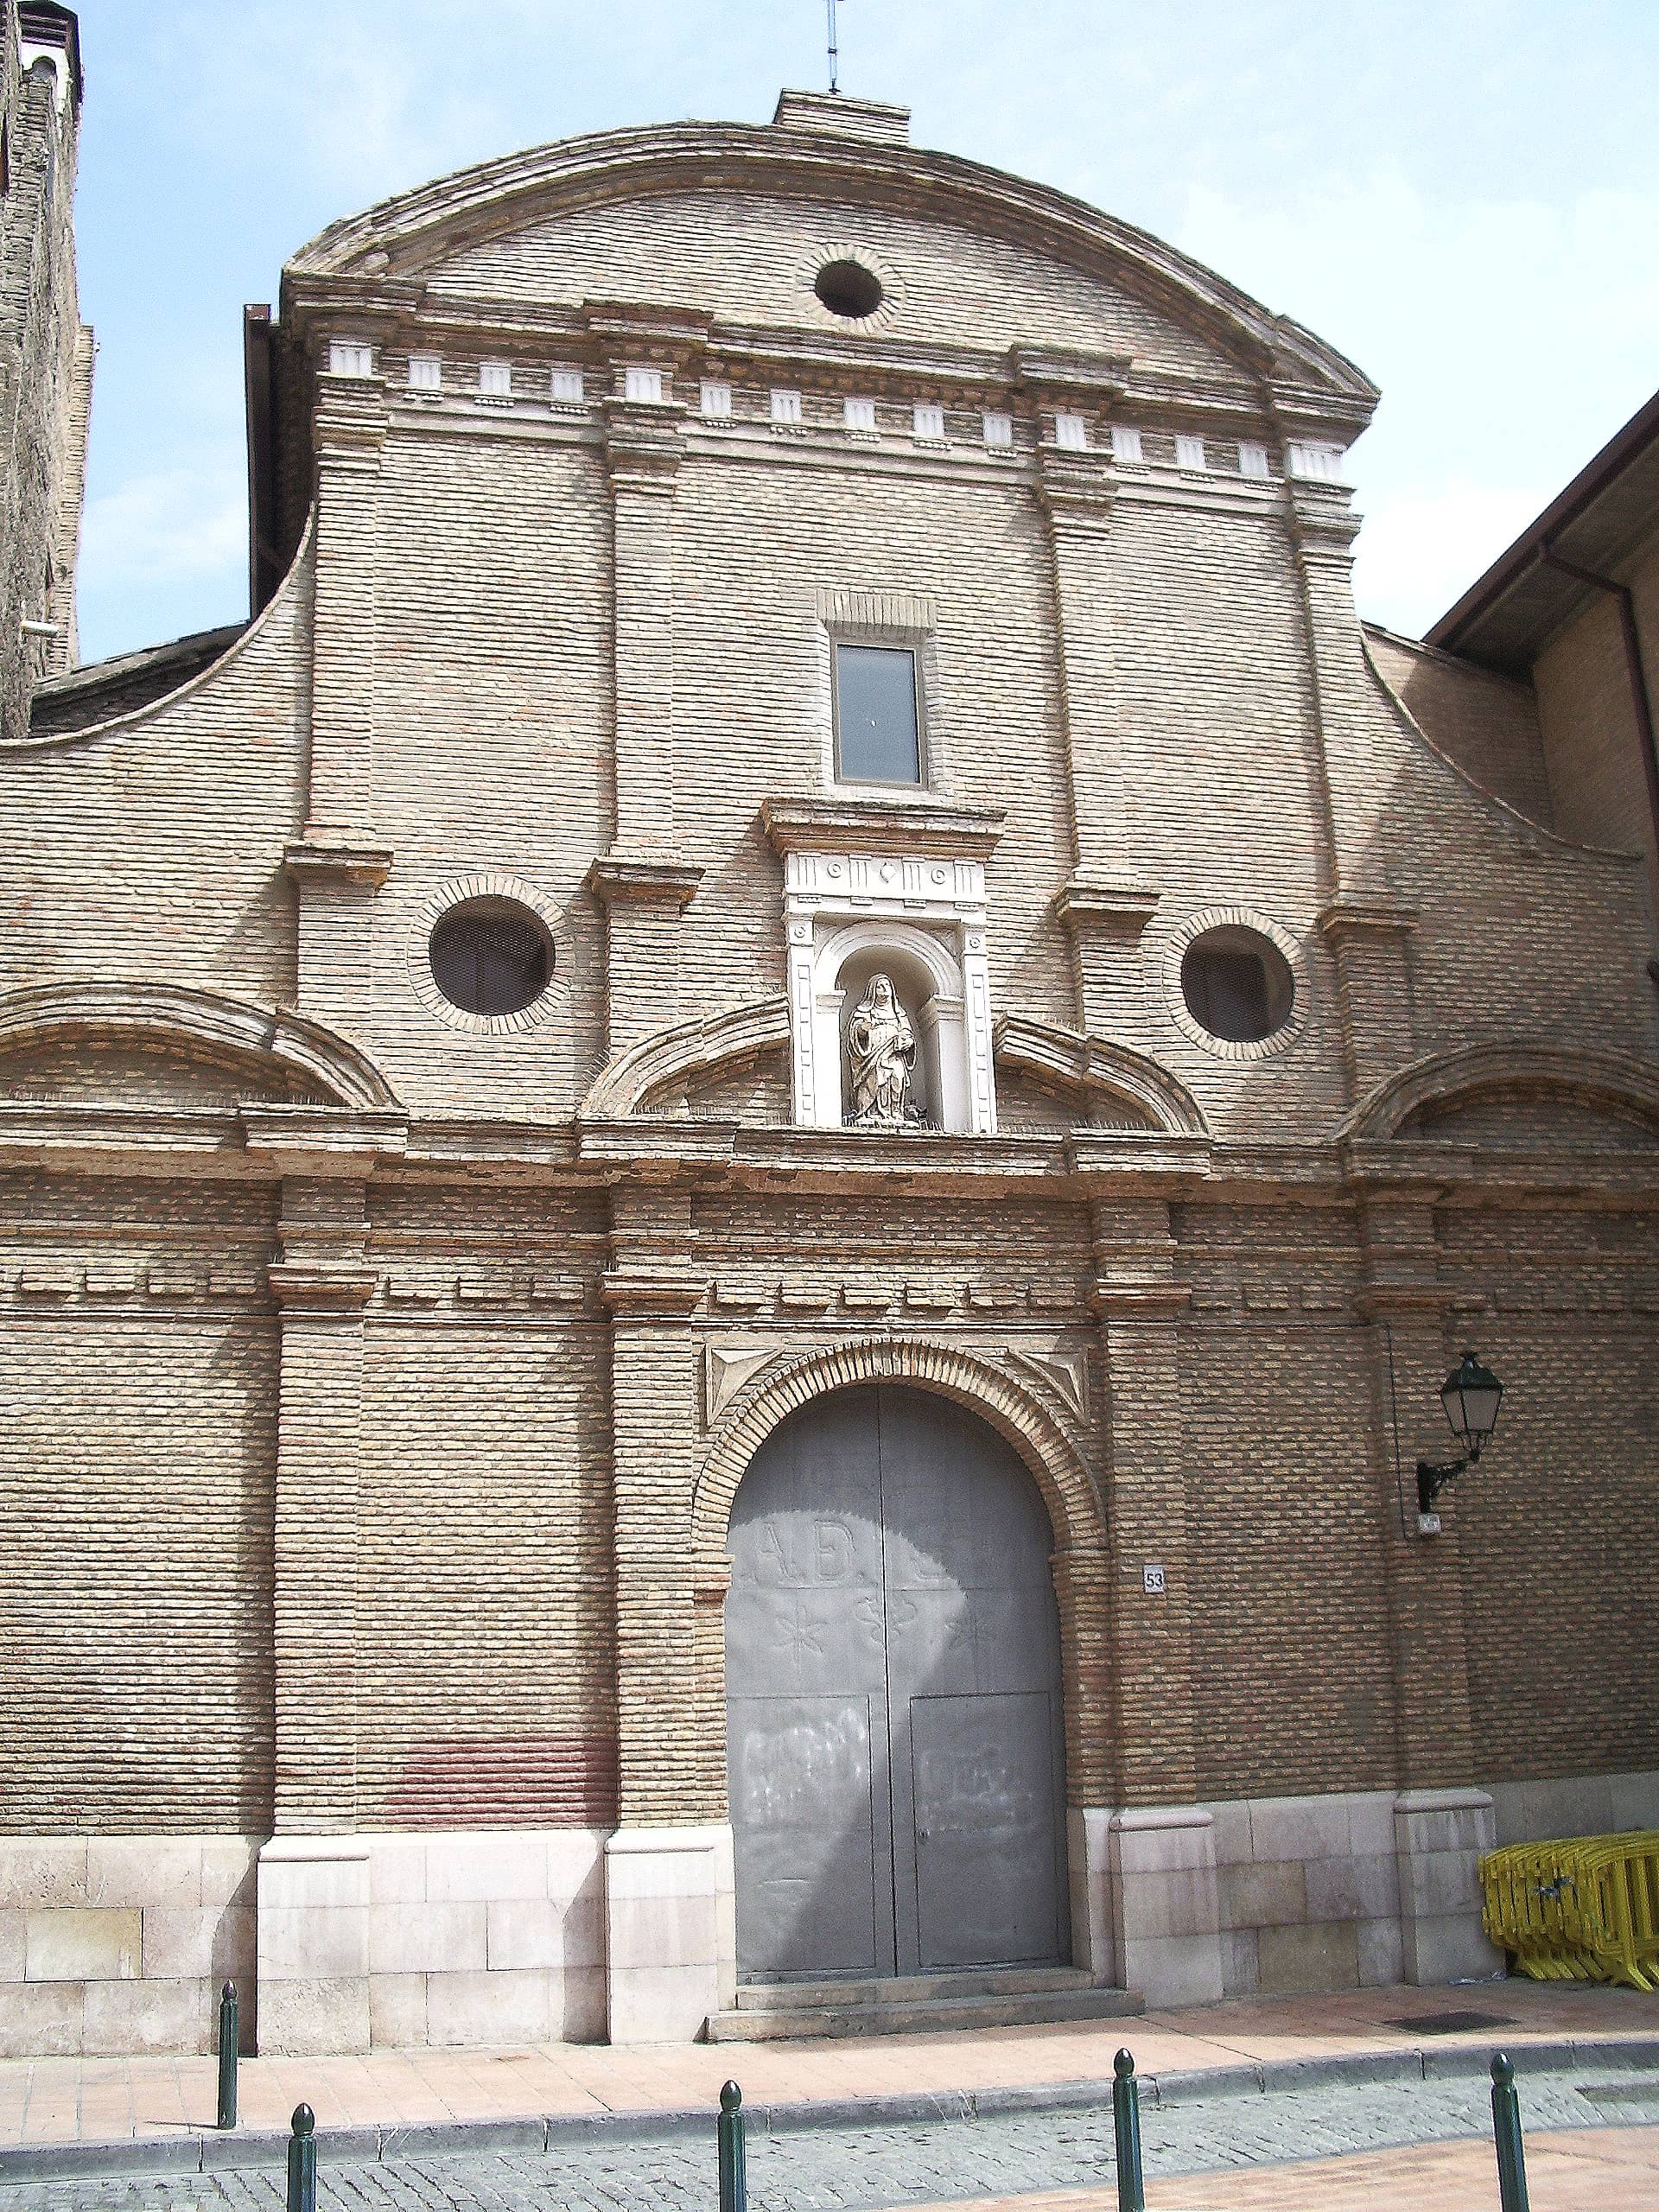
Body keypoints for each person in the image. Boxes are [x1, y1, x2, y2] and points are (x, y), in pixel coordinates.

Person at [847, 972, 919, 1126]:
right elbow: (855, 1034)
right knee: (876, 1080)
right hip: (873, 1057)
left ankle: (895, 1114)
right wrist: (863, 1030)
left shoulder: (899, 1013)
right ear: (873, 990)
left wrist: (908, 1041)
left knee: (897, 1078)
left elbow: (907, 1032)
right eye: (880, 986)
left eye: (887, 986)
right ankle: (873, 1113)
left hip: (895, 1055)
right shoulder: (864, 1011)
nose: (884, 989)